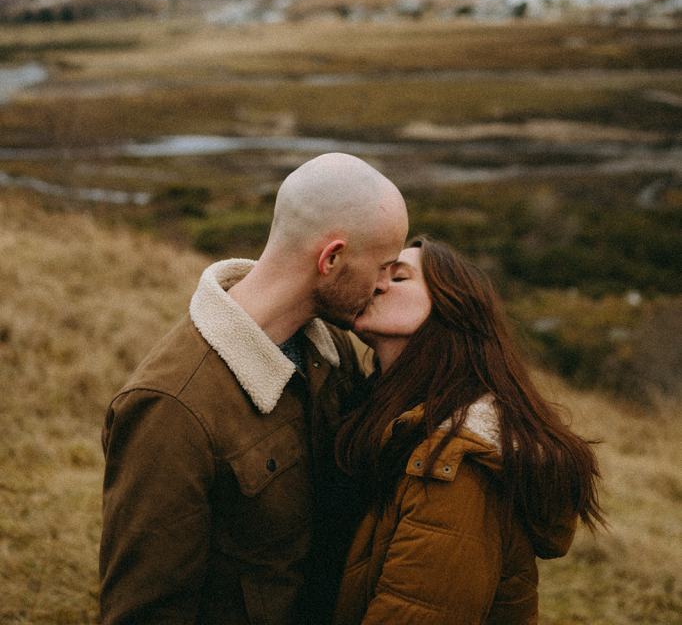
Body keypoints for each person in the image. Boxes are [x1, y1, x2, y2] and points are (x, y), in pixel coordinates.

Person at [99, 152, 408, 625]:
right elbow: (145, 611)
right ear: (332, 258)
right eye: (385, 266)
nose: (387, 284)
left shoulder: (334, 353)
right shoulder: (171, 409)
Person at [333, 236, 605, 625]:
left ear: (450, 309)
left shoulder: (455, 467)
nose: (376, 283)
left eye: (400, 277)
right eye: (380, 273)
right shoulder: (390, 415)